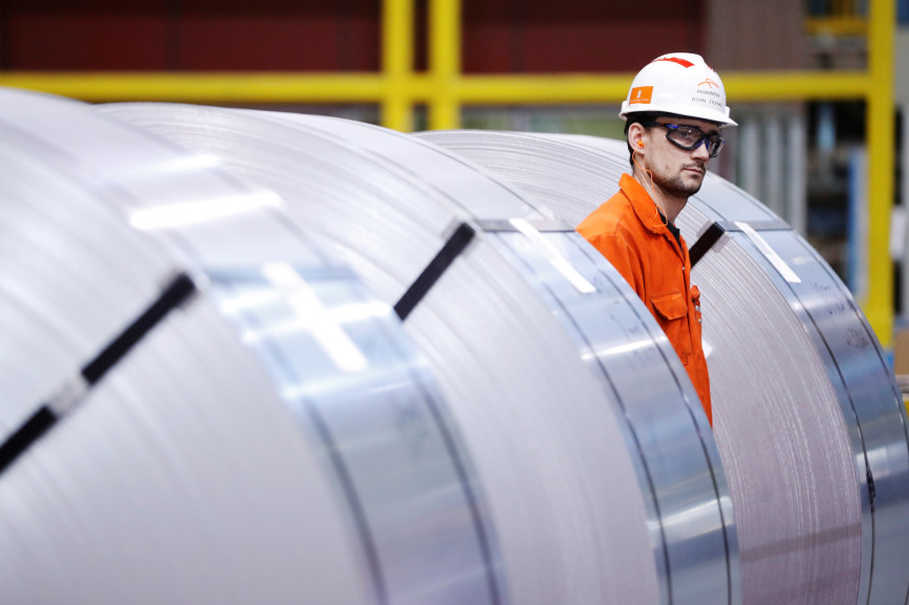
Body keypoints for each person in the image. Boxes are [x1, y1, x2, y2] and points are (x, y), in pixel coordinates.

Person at [576, 52, 737, 425]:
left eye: (710, 139)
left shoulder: (669, 240)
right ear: (639, 138)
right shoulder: (610, 239)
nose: (701, 153)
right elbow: (605, 397)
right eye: (686, 133)